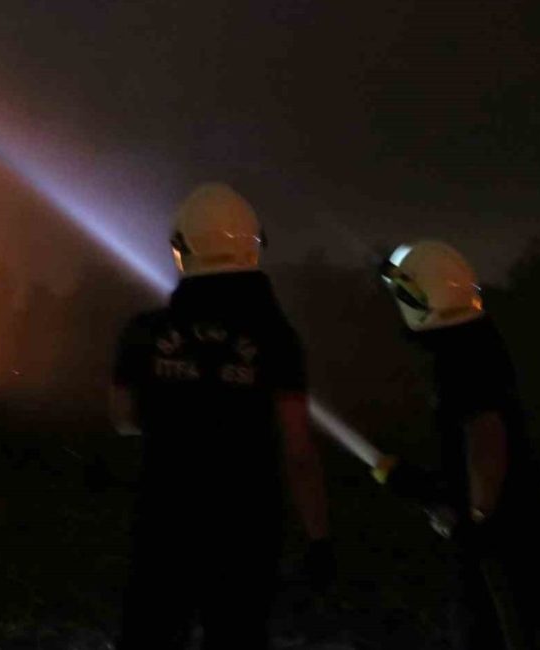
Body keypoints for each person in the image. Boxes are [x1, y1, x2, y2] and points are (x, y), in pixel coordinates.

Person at [110, 183, 333, 649]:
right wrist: (319, 537)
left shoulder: (143, 332)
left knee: (148, 635)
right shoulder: (276, 335)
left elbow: (123, 418)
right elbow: (298, 450)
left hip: (164, 522)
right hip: (246, 530)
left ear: (181, 249)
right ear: (252, 246)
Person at [374, 241, 540, 650]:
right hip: (515, 526)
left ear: (418, 298)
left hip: (498, 540)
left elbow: (485, 432)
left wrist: (476, 518)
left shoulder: (457, 356)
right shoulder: (476, 338)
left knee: (485, 630)